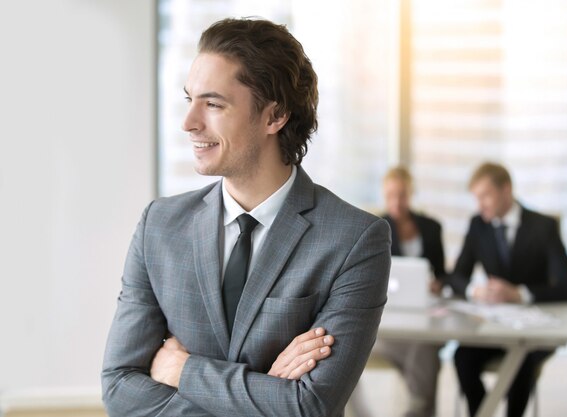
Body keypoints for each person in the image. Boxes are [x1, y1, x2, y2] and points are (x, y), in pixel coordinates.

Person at [101, 18, 391, 417]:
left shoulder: (355, 240)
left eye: (214, 104)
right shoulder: (160, 225)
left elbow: (310, 406)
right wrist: (264, 394)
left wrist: (182, 369)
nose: (189, 123)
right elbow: (120, 386)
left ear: (275, 117)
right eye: (190, 100)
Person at [449, 162, 567, 417]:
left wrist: (519, 293)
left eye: (485, 196)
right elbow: (456, 277)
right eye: (477, 198)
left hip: (534, 329)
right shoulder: (478, 225)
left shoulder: (543, 227)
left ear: (506, 190)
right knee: (462, 357)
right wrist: (477, 291)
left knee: (521, 362)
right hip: (495, 328)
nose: (480, 205)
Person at [371, 166, 446, 417]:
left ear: (411, 194)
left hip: (425, 313)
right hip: (390, 317)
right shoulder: (375, 228)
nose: (396, 202)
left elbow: (442, 273)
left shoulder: (432, 227)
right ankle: (421, 408)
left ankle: (419, 407)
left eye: (402, 195)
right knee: (423, 351)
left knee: (424, 345)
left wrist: (437, 284)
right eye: (391, 195)